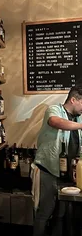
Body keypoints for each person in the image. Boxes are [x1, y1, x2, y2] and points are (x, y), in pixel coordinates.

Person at [33, 86, 82, 236]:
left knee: (60, 214)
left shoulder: (79, 117)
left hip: (67, 173)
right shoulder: (54, 109)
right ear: (73, 100)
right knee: (44, 212)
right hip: (48, 169)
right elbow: (55, 122)